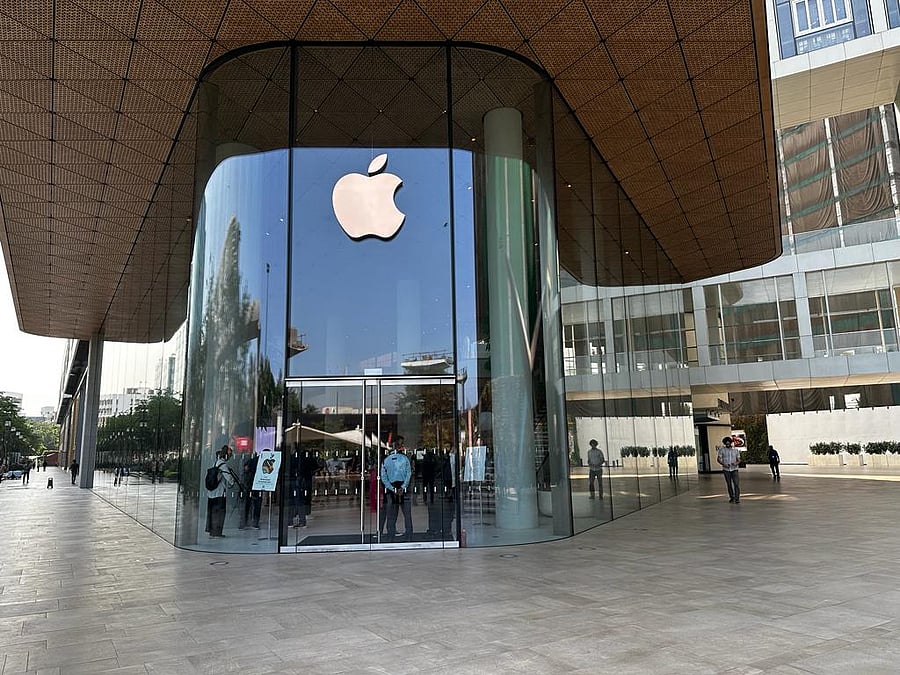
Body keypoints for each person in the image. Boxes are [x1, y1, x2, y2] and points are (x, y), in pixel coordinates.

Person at [381, 440, 413, 540]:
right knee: (407, 514)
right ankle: (409, 534)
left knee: (392, 514)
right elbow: (409, 474)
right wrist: (403, 487)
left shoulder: (386, 460)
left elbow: (383, 477)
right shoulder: (405, 459)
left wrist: (392, 488)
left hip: (391, 488)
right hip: (403, 488)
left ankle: (391, 534)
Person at [206, 445, 235, 538]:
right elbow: (229, 478)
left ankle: (212, 531)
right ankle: (217, 532)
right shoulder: (223, 465)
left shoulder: (215, 462)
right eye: (230, 454)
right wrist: (232, 483)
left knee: (212, 512)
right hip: (219, 492)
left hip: (211, 492)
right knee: (219, 513)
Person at [239, 451, 262, 530]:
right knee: (256, 504)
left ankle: (244, 522)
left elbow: (245, 469)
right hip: (256, 484)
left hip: (249, 484)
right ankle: (255, 522)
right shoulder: (259, 461)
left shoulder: (252, 460)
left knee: (247, 504)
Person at [716, 436, 741, 503]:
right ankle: (732, 497)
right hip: (726, 470)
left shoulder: (735, 450)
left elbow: (739, 460)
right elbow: (718, 459)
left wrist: (736, 463)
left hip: (734, 469)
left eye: (728, 443)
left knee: (736, 484)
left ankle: (737, 498)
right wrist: (724, 464)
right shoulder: (722, 450)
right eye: (726, 444)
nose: (727, 445)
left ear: (730, 443)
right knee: (729, 484)